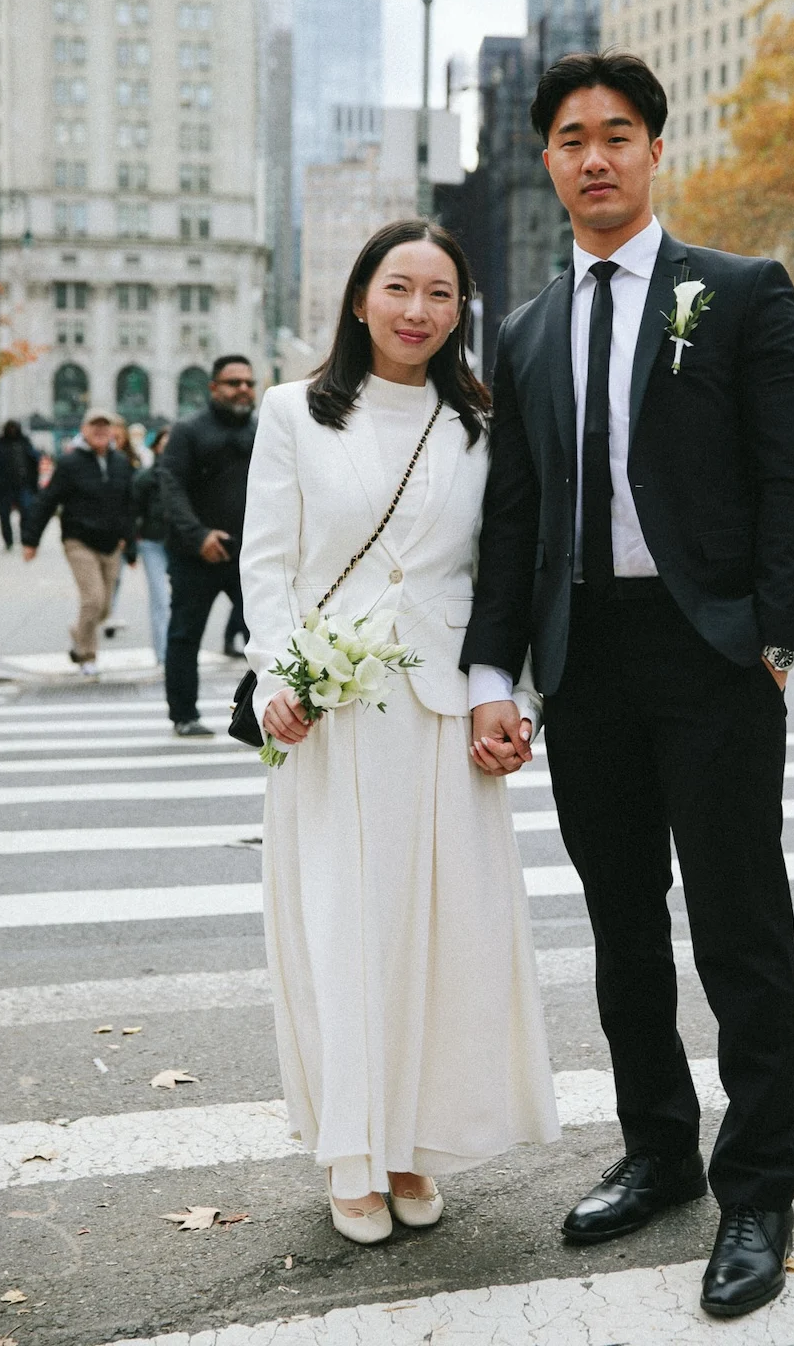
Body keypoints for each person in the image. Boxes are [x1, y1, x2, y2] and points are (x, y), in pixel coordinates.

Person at [461, 51, 794, 1320]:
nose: (595, 156)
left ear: (656, 151)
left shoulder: (734, 293)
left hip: (710, 652)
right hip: (587, 660)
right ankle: (660, 1149)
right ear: (548, 162)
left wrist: (778, 635)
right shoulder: (523, 329)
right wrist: (492, 670)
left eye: (618, 134)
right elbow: (512, 519)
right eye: (571, 138)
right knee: (623, 922)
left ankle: (758, 1189)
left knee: (738, 925)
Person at [240, 220, 558, 1247]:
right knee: (342, 935)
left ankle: (414, 1139)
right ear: (359, 298)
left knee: (441, 943)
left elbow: (500, 570)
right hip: (330, 715)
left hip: (440, 715)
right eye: (398, 288)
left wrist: (499, 690)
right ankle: (350, 1151)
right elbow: (268, 565)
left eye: (439, 293)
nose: (417, 311)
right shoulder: (292, 413)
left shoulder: (480, 424)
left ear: (460, 310)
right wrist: (274, 680)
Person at [161, 355, 257, 736]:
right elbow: (170, 486)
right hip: (194, 555)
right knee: (185, 636)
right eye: (233, 383)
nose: (243, 389)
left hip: (247, 555)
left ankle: (260, 715)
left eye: (248, 382)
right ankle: (184, 715)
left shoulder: (261, 430)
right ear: (214, 388)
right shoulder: (186, 431)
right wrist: (199, 535)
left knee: (268, 635)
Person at [21, 408, 136, 676]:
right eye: (94, 427)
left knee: (106, 608)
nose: (100, 432)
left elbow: (128, 507)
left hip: (111, 543)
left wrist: (130, 547)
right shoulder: (71, 463)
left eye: (105, 427)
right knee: (93, 600)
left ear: (113, 432)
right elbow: (47, 500)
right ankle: (86, 655)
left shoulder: (120, 463)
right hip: (79, 540)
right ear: (84, 430)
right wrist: (31, 540)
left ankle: (77, 631)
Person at [133, 427, 171, 665]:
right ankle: (163, 653)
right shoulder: (145, 477)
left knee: (179, 600)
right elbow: (133, 511)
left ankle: (171, 651)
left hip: (179, 543)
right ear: (156, 447)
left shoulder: (187, 475)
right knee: (160, 599)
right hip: (152, 543)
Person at [103, 415, 142, 637]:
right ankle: (104, 611)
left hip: (123, 523)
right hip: (101, 525)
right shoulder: (100, 457)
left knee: (115, 575)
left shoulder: (131, 458)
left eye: (118, 433)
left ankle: (109, 612)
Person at [0, 419, 40, 549]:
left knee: (26, 511)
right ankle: (8, 540)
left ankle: (25, 537)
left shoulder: (24, 443)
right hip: (4, 487)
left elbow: (34, 460)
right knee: (4, 514)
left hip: (23, 484)